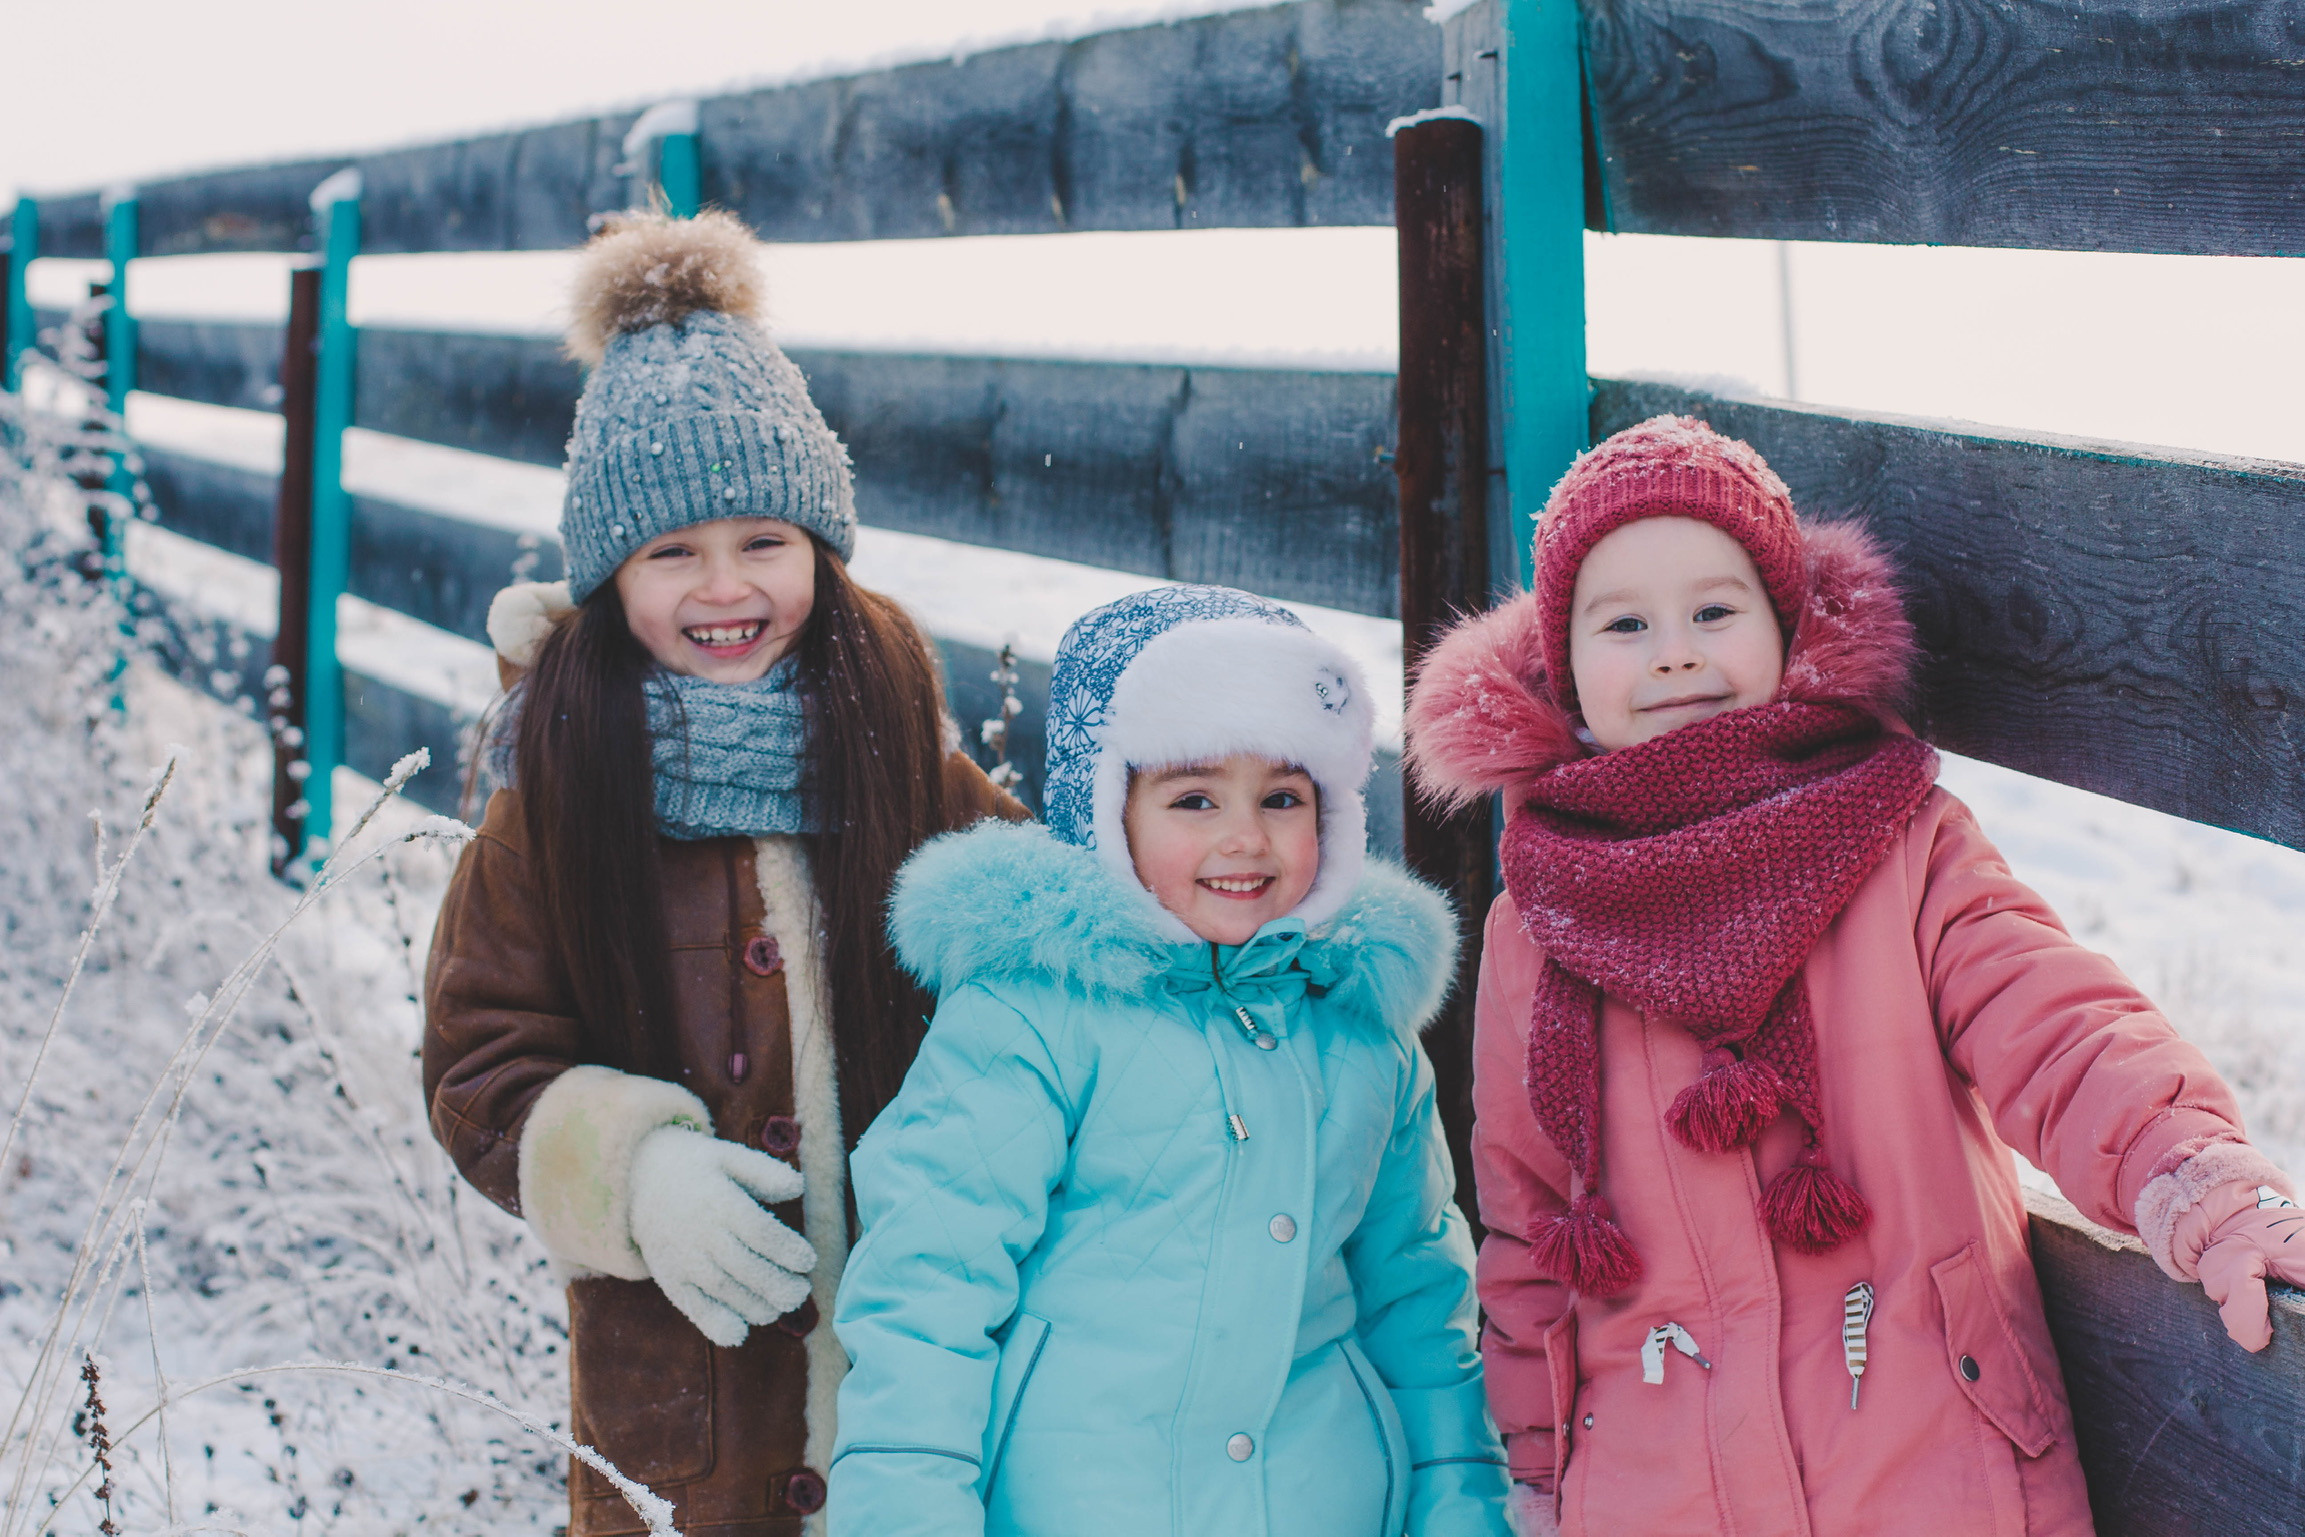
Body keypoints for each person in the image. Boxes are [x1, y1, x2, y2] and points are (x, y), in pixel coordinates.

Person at [1405, 416, 2304, 1537]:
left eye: (1715, 611)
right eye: (1624, 622)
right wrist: (1533, 1476)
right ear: (1564, 666)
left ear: (1786, 629)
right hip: (1650, 1492)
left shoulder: (1899, 842)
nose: (1674, 650)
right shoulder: (1537, 922)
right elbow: (1529, 1227)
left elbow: (2056, 1028)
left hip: (1937, 1467)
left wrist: (2194, 1174)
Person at [422, 211, 1027, 1537]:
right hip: (680, 1427)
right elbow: (479, 1064)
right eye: (671, 552)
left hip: (911, 1397)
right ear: (608, 577)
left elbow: (1036, 931)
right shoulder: (560, 793)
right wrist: (630, 1175)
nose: (724, 587)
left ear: (821, 544)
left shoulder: (897, 753)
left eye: (763, 539)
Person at [828, 586, 1510, 1537]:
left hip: (1328, 1501)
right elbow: (928, 1296)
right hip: (1078, 1504)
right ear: (1108, 812)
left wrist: (1462, 1505)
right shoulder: (1029, 1018)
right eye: (1194, 798)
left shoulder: (1363, 1033)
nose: (1245, 837)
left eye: (1282, 797)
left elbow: (1421, 1300)